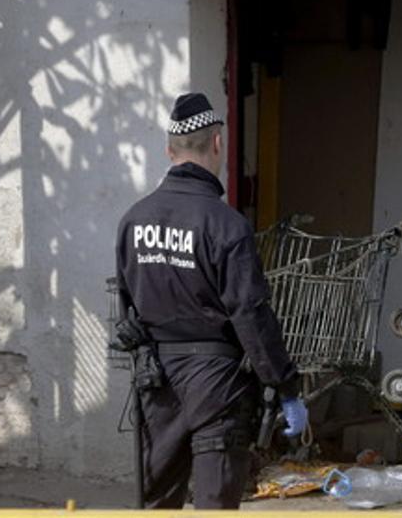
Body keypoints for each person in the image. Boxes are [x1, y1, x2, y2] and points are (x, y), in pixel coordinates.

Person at [113, 92, 308, 509]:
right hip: (218, 384)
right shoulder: (226, 225)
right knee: (215, 504)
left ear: (170, 151)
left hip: (157, 382)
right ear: (217, 143)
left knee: (158, 504)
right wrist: (285, 385)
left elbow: (126, 305)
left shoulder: (134, 220)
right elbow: (249, 312)